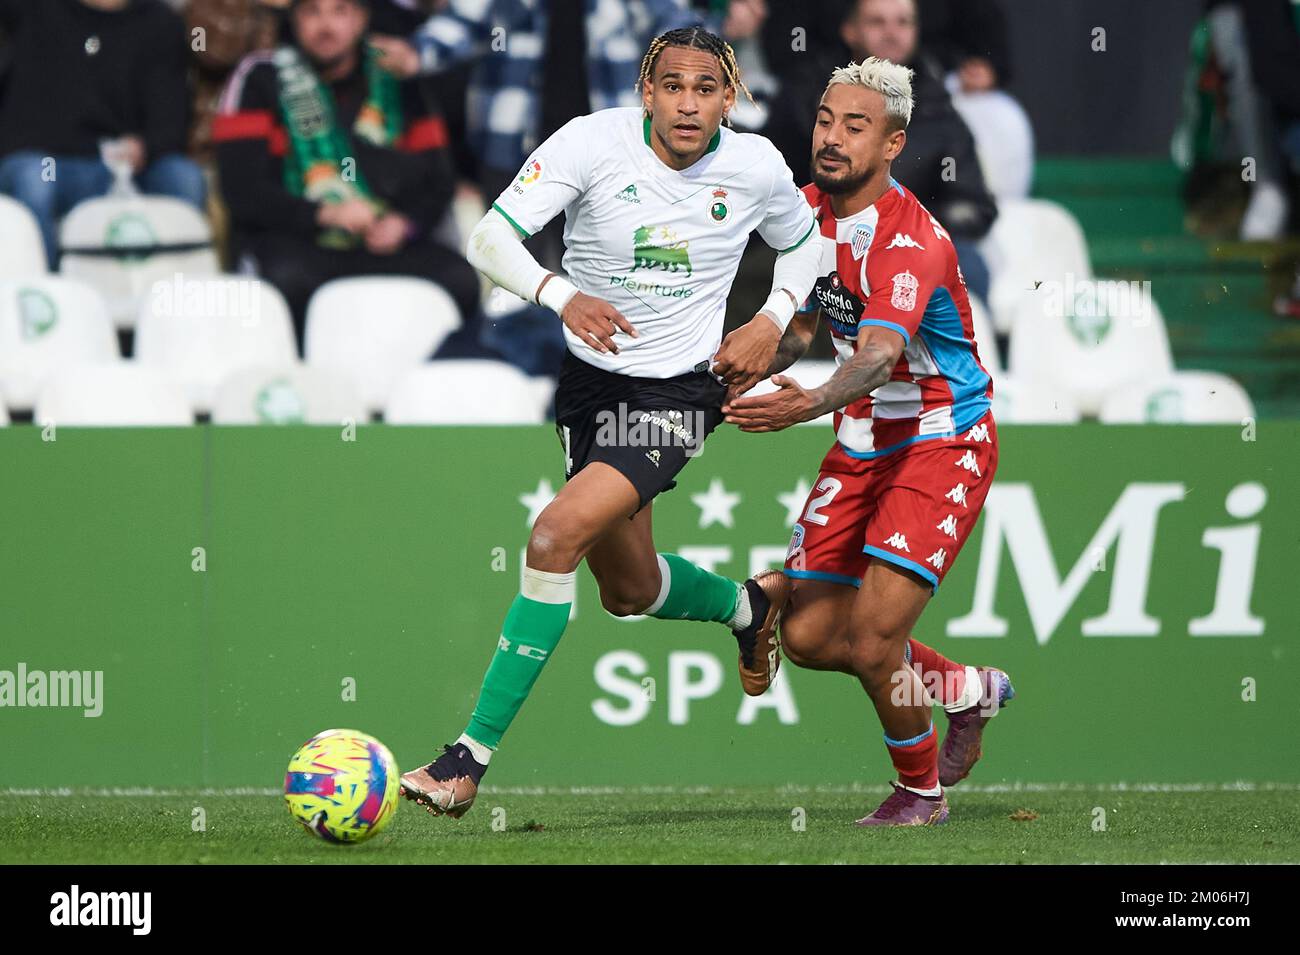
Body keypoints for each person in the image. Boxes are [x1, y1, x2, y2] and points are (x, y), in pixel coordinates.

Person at [397, 26, 825, 818]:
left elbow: (806, 246)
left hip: (678, 394)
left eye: (706, 88)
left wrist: (773, 317)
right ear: (646, 90)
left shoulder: (757, 165)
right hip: (588, 385)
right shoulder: (590, 144)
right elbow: (488, 236)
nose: (689, 102)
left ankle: (466, 759)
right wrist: (562, 295)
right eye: (673, 85)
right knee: (627, 589)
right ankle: (749, 606)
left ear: (729, 98)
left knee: (553, 537)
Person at [723, 58, 1014, 826]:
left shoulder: (912, 242)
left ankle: (920, 792)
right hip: (863, 436)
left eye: (856, 126)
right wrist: (737, 367)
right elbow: (809, 327)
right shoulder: (805, 212)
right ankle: (965, 690)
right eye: (825, 119)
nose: (832, 136)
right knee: (819, 637)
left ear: (893, 144)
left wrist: (803, 406)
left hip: (940, 439)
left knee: (876, 635)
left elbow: (880, 355)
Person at [212, 0, 480, 345]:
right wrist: (324, 213)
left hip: (385, 244)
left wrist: (405, 224)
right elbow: (240, 189)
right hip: (299, 242)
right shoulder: (260, 77)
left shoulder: (397, 77)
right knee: (284, 280)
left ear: (361, 19)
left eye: (340, 11)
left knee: (458, 279)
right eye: (313, 12)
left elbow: (439, 181)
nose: (326, 25)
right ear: (294, 20)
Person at [0, 0, 206, 269]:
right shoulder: (33, 8)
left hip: (128, 166)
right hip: (52, 162)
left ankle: (173, 296)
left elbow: (172, 117)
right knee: (36, 177)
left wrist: (145, 147)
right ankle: (47, 297)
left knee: (183, 177)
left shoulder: (160, 22)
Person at [841, 0, 999, 302]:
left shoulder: (940, 111)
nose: (892, 33)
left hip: (914, 244)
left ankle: (963, 350)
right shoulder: (810, 97)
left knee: (967, 265)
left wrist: (914, 230)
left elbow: (974, 204)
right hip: (830, 237)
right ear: (850, 31)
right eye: (877, 22)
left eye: (903, 22)